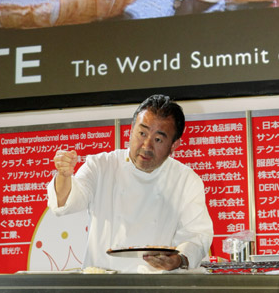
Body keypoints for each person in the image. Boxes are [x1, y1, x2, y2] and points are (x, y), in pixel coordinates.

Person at [47, 94, 213, 272]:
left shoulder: (186, 180)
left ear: (174, 145)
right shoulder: (101, 166)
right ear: (131, 130)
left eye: (158, 139)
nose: (146, 146)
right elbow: (65, 204)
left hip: (156, 282)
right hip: (102, 280)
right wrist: (64, 175)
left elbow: (197, 235)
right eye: (142, 133)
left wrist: (179, 259)